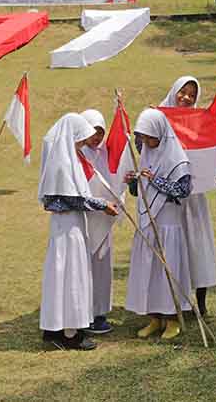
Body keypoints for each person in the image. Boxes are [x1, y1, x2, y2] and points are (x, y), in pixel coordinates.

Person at [38, 113, 119, 351]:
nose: (83, 145)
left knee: (65, 277)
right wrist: (102, 204)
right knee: (69, 277)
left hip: (71, 226)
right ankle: (69, 333)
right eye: (81, 140)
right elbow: (69, 200)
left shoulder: (69, 159)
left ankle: (59, 328)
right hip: (67, 228)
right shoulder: (62, 163)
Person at [124, 108, 193, 340]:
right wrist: (134, 181)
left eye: (150, 137)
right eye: (142, 137)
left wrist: (156, 179)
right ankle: (154, 318)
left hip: (168, 225)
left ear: (161, 134)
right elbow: (138, 192)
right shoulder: (145, 154)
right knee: (149, 271)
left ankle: (172, 319)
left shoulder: (178, 159)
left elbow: (182, 191)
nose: (146, 142)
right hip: (147, 222)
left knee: (168, 271)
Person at [159, 76, 216, 317]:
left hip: (193, 197)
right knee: (171, 247)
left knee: (198, 245)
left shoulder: (198, 123)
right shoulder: (159, 120)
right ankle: (169, 301)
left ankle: (200, 301)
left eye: (192, 95)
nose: (186, 98)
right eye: (182, 92)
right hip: (167, 198)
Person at [78, 109, 127, 335]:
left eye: (101, 132)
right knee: (83, 267)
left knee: (102, 269)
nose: (97, 137)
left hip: (104, 218)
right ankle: (81, 312)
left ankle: (99, 312)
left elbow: (114, 176)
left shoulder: (106, 153)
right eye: (92, 131)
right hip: (84, 218)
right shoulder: (77, 154)